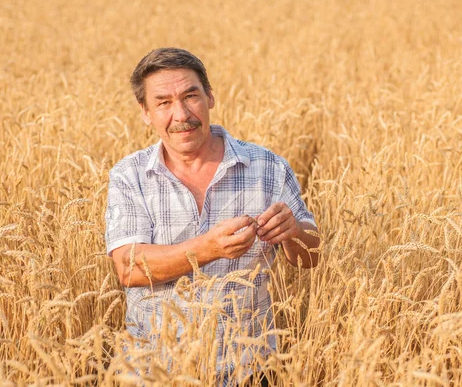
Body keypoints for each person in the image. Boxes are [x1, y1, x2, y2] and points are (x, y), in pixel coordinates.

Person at [105, 47, 319, 385]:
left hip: (249, 368)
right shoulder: (129, 175)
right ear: (145, 113)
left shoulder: (267, 167)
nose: (181, 114)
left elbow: (311, 257)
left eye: (191, 96)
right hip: (154, 372)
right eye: (163, 103)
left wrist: (293, 232)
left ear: (210, 97)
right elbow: (129, 268)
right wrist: (209, 248)